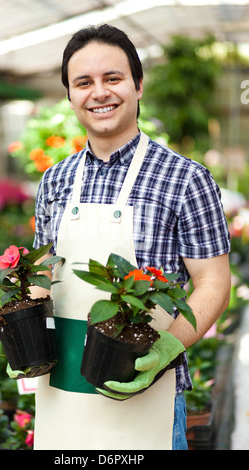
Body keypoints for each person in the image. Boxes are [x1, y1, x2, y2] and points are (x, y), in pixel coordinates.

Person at [32, 24, 231, 450]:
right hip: (61, 391)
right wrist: (22, 332)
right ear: (70, 95)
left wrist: (166, 348)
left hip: (149, 390)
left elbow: (213, 282)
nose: (99, 92)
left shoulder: (186, 179)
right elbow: (43, 274)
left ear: (138, 86)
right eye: (83, 82)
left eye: (113, 78)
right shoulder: (55, 181)